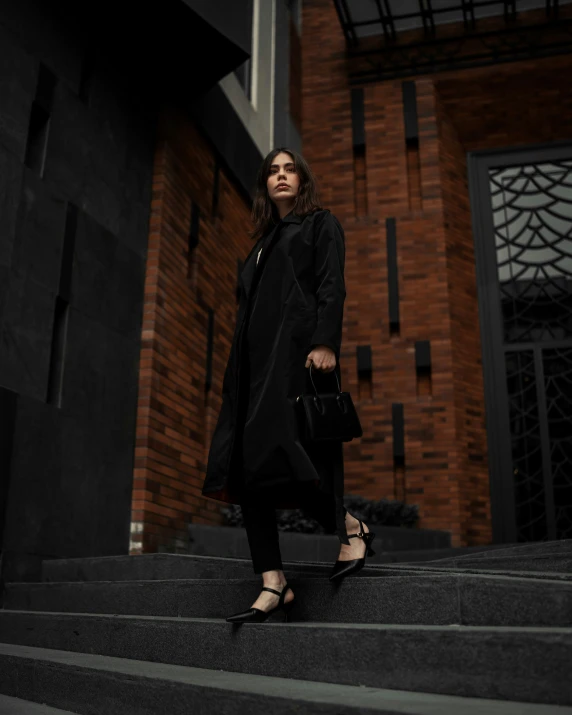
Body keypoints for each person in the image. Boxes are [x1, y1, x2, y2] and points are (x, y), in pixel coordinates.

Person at [201, 148, 376, 623]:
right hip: (250, 374)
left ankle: (350, 526)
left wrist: (326, 342)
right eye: (272, 171)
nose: (281, 177)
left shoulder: (320, 224)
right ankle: (273, 582)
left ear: (302, 178)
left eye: (289, 169)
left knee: (286, 453)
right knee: (246, 468)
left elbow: (331, 286)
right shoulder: (260, 244)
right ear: (265, 184)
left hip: (293, 361)